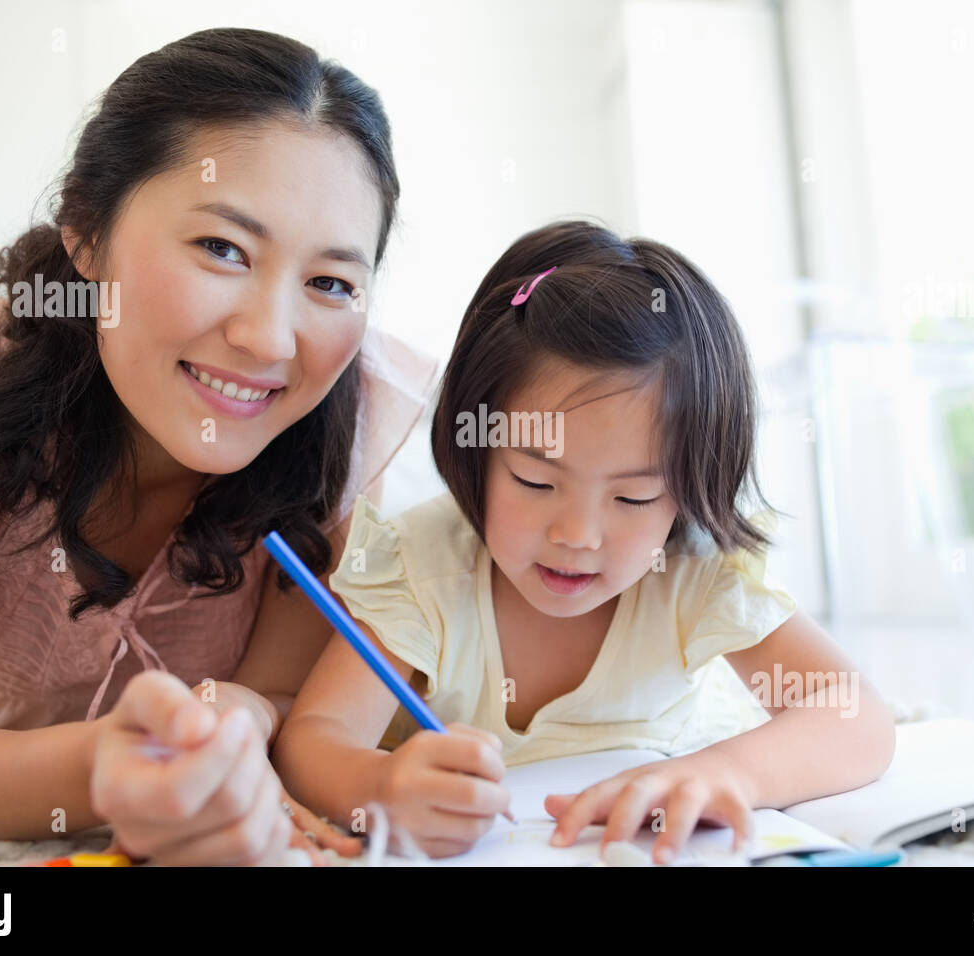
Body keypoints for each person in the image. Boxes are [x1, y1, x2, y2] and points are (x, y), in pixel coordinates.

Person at [0, 27, 438, 866]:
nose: (271, 338)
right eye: (221, 248)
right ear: (86, 231)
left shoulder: (350, 423)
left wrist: (244, 713)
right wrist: (107, 764)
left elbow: (279, 695)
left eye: (330, 283)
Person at [275, 220, 897, 862]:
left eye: (633, 498)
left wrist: (728, 773)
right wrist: (380, 789)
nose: (577, 536)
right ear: (476, 451)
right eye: (535, 480)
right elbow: (311, 741)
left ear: (689, 490)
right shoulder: (419, 569)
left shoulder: (692, 573)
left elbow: (853, 714)